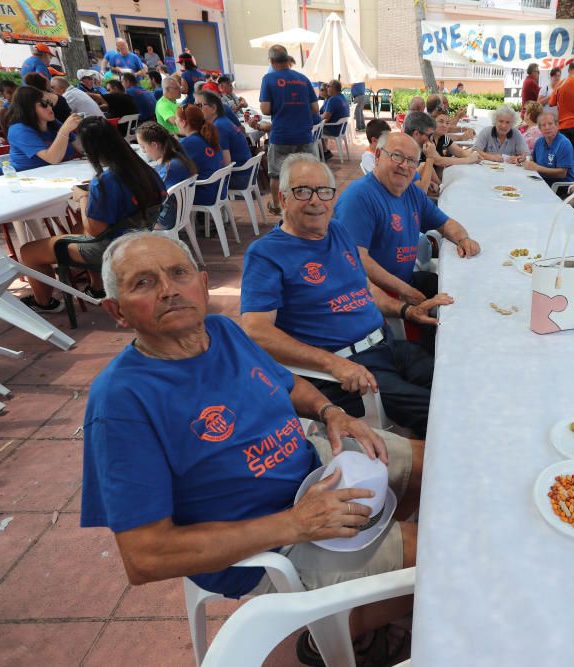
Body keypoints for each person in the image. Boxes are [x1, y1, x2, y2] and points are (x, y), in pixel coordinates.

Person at [82, 232, 423, 666]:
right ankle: (329, 635)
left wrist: (328, 410)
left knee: (430, 461)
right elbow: (145, 556)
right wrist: (295, 524)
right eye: (143, 283)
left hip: (313, 469)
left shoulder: (222, 331)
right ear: (117, 312)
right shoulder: (122, 402)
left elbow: (286, 383)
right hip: (267, 543)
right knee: (441, 555)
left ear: (202, 283)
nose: (169, 290)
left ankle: (368, 587)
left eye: (178, 273)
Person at [242, 154, 452, 438]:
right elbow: (256, 331)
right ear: (283, 199)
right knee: (443, 416)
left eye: (324, 192)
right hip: (351, 370)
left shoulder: (337, 231)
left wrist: (404, 310)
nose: (316, 201)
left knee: (456, 384)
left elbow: (363, 289)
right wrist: (333, 364)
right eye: (302, 191)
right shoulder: (266, 254)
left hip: (388, 348)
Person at [18, 117, 165, 312]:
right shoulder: (145, 169)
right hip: (139, 236)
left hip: (111, 247)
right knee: (77, 228)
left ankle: (44, 302)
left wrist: (82, 198)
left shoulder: (104, 181)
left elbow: (94, 231)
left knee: (28, 251)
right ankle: (97, 288)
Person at [336, 130, 479, 305]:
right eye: (397, 156)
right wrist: (406, 291)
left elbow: (445, 223)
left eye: (411, 161)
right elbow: (356, 260)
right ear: (378, 155)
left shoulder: (411, 192)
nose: (404, 166)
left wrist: (463, 238)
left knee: (466, 292)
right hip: (377, 297)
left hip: (406, 282)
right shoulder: (358, 198)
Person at [260, 45, 319, 217]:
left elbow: (265, 109)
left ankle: (278, 206)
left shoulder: (268, 79)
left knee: (277, 174)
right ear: (287, 59)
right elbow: (315, 108)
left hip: (281, 136)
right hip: (304, 135)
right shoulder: (302, 79)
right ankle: (309, 203)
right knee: (307, 171)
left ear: (271, 61)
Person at [136, 121, 197, 229]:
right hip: (178, 213)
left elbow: (152, 198)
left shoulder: (169, 168)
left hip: (166, 220)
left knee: (127, 219)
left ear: (154, 145)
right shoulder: (177, 156)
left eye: (143, 147)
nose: (144, 151)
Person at [6, 85, 81, 172]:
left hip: (60, 174)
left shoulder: (53, 123)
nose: (50, 107)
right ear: (28, 108)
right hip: (29, 179)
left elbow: (80, 147)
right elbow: (53, 159)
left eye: (49, 103)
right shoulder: (19, 130)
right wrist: (64, 130)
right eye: (44, 104)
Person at [198, 90, 251, 189]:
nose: (198, 109)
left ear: (213, 108)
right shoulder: (222, 121)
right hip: (245, 173)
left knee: (197, 187)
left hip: (239, 177)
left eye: (200, 105)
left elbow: (226, 164)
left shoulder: (218, 127)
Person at [175, 105, 223, 207]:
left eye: (176, 119)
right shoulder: (207, 136)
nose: (175, 121)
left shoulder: (187, 143)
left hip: (205, 193)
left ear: (183, 122)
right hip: (219, 190)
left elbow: (172, 167)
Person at [525, 111, 574, 191]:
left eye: (550, 124)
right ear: (540, 129)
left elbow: (562, 173)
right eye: (543, 125)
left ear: (557, 125)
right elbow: (533, 160)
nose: (547, 127)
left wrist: (537, 168)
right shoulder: (539, 142)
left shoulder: (564, 144)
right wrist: (524, 158)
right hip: (541, 184)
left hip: (560, 189)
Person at [320, 79, 350, 159]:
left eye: (328, 86)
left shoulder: (333, 99)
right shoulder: (342, 97)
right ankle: (325, 151)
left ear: (334, 88)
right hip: (341, 129)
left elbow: (325, 118)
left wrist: (314, 117)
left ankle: (320, 153)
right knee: (319, 127)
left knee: (313, 130)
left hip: (334, 129)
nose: (327, 88)